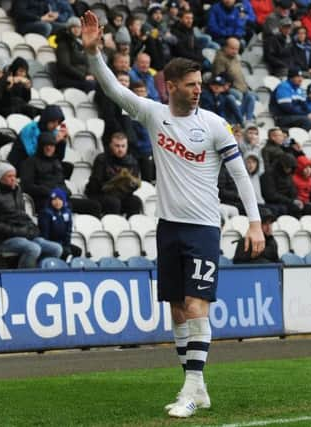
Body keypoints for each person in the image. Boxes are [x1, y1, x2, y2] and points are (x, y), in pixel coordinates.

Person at [81, 10, 264, 418]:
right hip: (169, 227)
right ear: (171, 87)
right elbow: (113, 90)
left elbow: (240, 174)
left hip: (203, 228)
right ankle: (196, 387)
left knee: (196, 304)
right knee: (177, 309)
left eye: (200, 84)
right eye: (191, 84)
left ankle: (191, 388)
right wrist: (94, 54)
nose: (198, 90)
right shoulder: (154, 115)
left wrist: (254, 221)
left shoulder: (216, 125)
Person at [0, 162, 63, 269]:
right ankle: (25, 278)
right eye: (9, 176)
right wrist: (15, 231)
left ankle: (41, 272)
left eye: (14, 176)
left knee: (56, 249)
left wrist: (33, 229)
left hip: (24, 236)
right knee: (33, 248)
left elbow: (22, 216)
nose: (13, 179)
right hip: (4, 240)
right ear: (1, 178)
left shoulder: (17, 193)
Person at [85, 132, 143, 217]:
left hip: (122, 195)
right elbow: (95, 185)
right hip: (101, 194)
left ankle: (130, 226)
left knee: (135, 201)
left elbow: (135, 184)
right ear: (111, 145)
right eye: (117, 146)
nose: (120, 149)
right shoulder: (102, 159)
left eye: (123, 146)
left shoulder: (132, 162)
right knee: (113, 202)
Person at [38, 187, 82, 262]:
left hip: (62, 243)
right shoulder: (46, 213)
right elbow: (45, 234)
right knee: (64, 252)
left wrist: (67, 245)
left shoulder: (67, 212)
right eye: (54, 199)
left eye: (60, 199)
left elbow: (68, 232)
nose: (57, 202)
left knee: (77, 251)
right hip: (51, 243)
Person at [55, 17, 97, 92]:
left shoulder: (79, 44)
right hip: (67, 79)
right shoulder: (64, 43)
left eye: (79, 27)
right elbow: (65, 66)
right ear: (68, 29)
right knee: (92, 85)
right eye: (74, 27)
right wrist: (84, 77)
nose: (77, 29)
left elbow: (87, 63)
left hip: (80, 78)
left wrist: (89, 75)